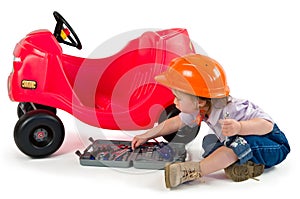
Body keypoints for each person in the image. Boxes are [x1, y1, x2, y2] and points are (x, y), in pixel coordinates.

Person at [131, 53, 290, 188]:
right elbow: (175, 122)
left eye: (178, 98)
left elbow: (266, 126)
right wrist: (147, 135)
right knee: (209, 144)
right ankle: (244, 165)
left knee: (235, 145)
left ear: (200, 101)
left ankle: (191, 171)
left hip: (272, 144)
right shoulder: (199, 108)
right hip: (237, 140)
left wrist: (239, 127)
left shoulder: (232, 109)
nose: (174, 102)